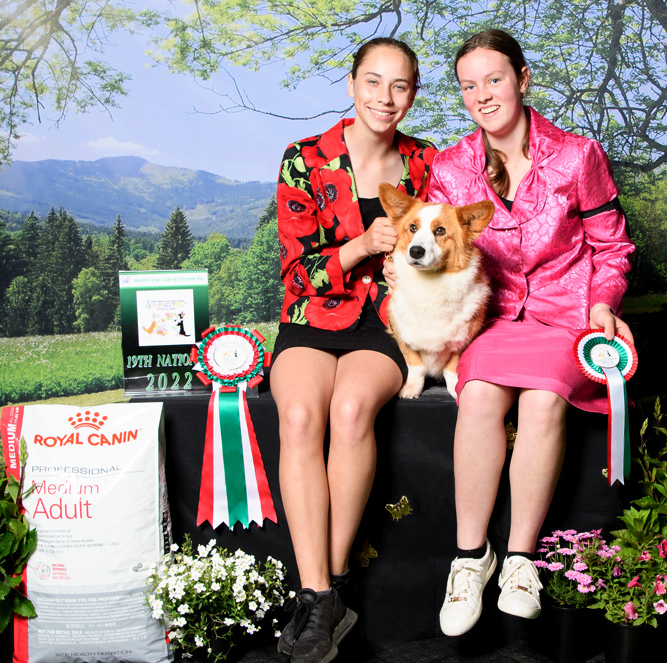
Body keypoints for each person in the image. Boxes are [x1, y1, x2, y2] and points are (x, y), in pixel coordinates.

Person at [421, 28, 635, 636]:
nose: (482, 95)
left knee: (543, 401)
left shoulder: (577, 155)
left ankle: (519, 560)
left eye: (493, 79)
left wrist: (603, 304)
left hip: (568, 318)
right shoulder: (450, 167)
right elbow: (445, 253)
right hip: (495, 317)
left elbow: (612, 247)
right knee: (481, 395)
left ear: (521, 78)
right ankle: (470, 560)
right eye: (469, 86)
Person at [270, 37, 438, 663]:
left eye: (400, 87)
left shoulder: (428, 162)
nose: (385, 98)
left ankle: (323, 594)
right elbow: (298, 274)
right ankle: (321, 594)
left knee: (349, 411)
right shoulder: (304, 158)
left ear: (413, 95)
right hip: (311, 316)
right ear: (351, 85)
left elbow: (453, 249)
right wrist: (366, 245)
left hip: (385, 323)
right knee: (300, 416)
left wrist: (416, 271)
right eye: (373, 82)